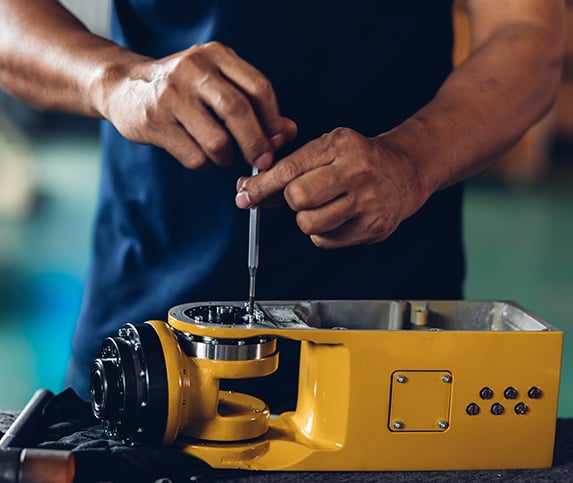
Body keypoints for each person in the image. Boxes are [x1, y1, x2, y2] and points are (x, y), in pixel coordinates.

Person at [0, 0, 565, 413]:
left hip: (390, 341)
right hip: (148, 326)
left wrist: (412, 161)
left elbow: (528, 29)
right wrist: (118, 80)